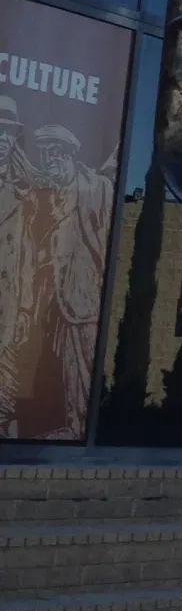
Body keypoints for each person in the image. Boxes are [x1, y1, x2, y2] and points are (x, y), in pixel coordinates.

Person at [33, 123, 116, 439]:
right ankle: (71, 423)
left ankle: (80, 426)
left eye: (53, 157)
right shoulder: (54, 193)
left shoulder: (94, 188)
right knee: (66, 365)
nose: (49, 165)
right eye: (45, 159)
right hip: (57, 300)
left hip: (83, 300)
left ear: (65, 155)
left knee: (82, 366)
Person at [0, 96, 38, 437]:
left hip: (6, 309)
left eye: (8, 134)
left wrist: (25, 308)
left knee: (4, 394)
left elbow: (26, 258)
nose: (2, 139)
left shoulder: (19, 195)